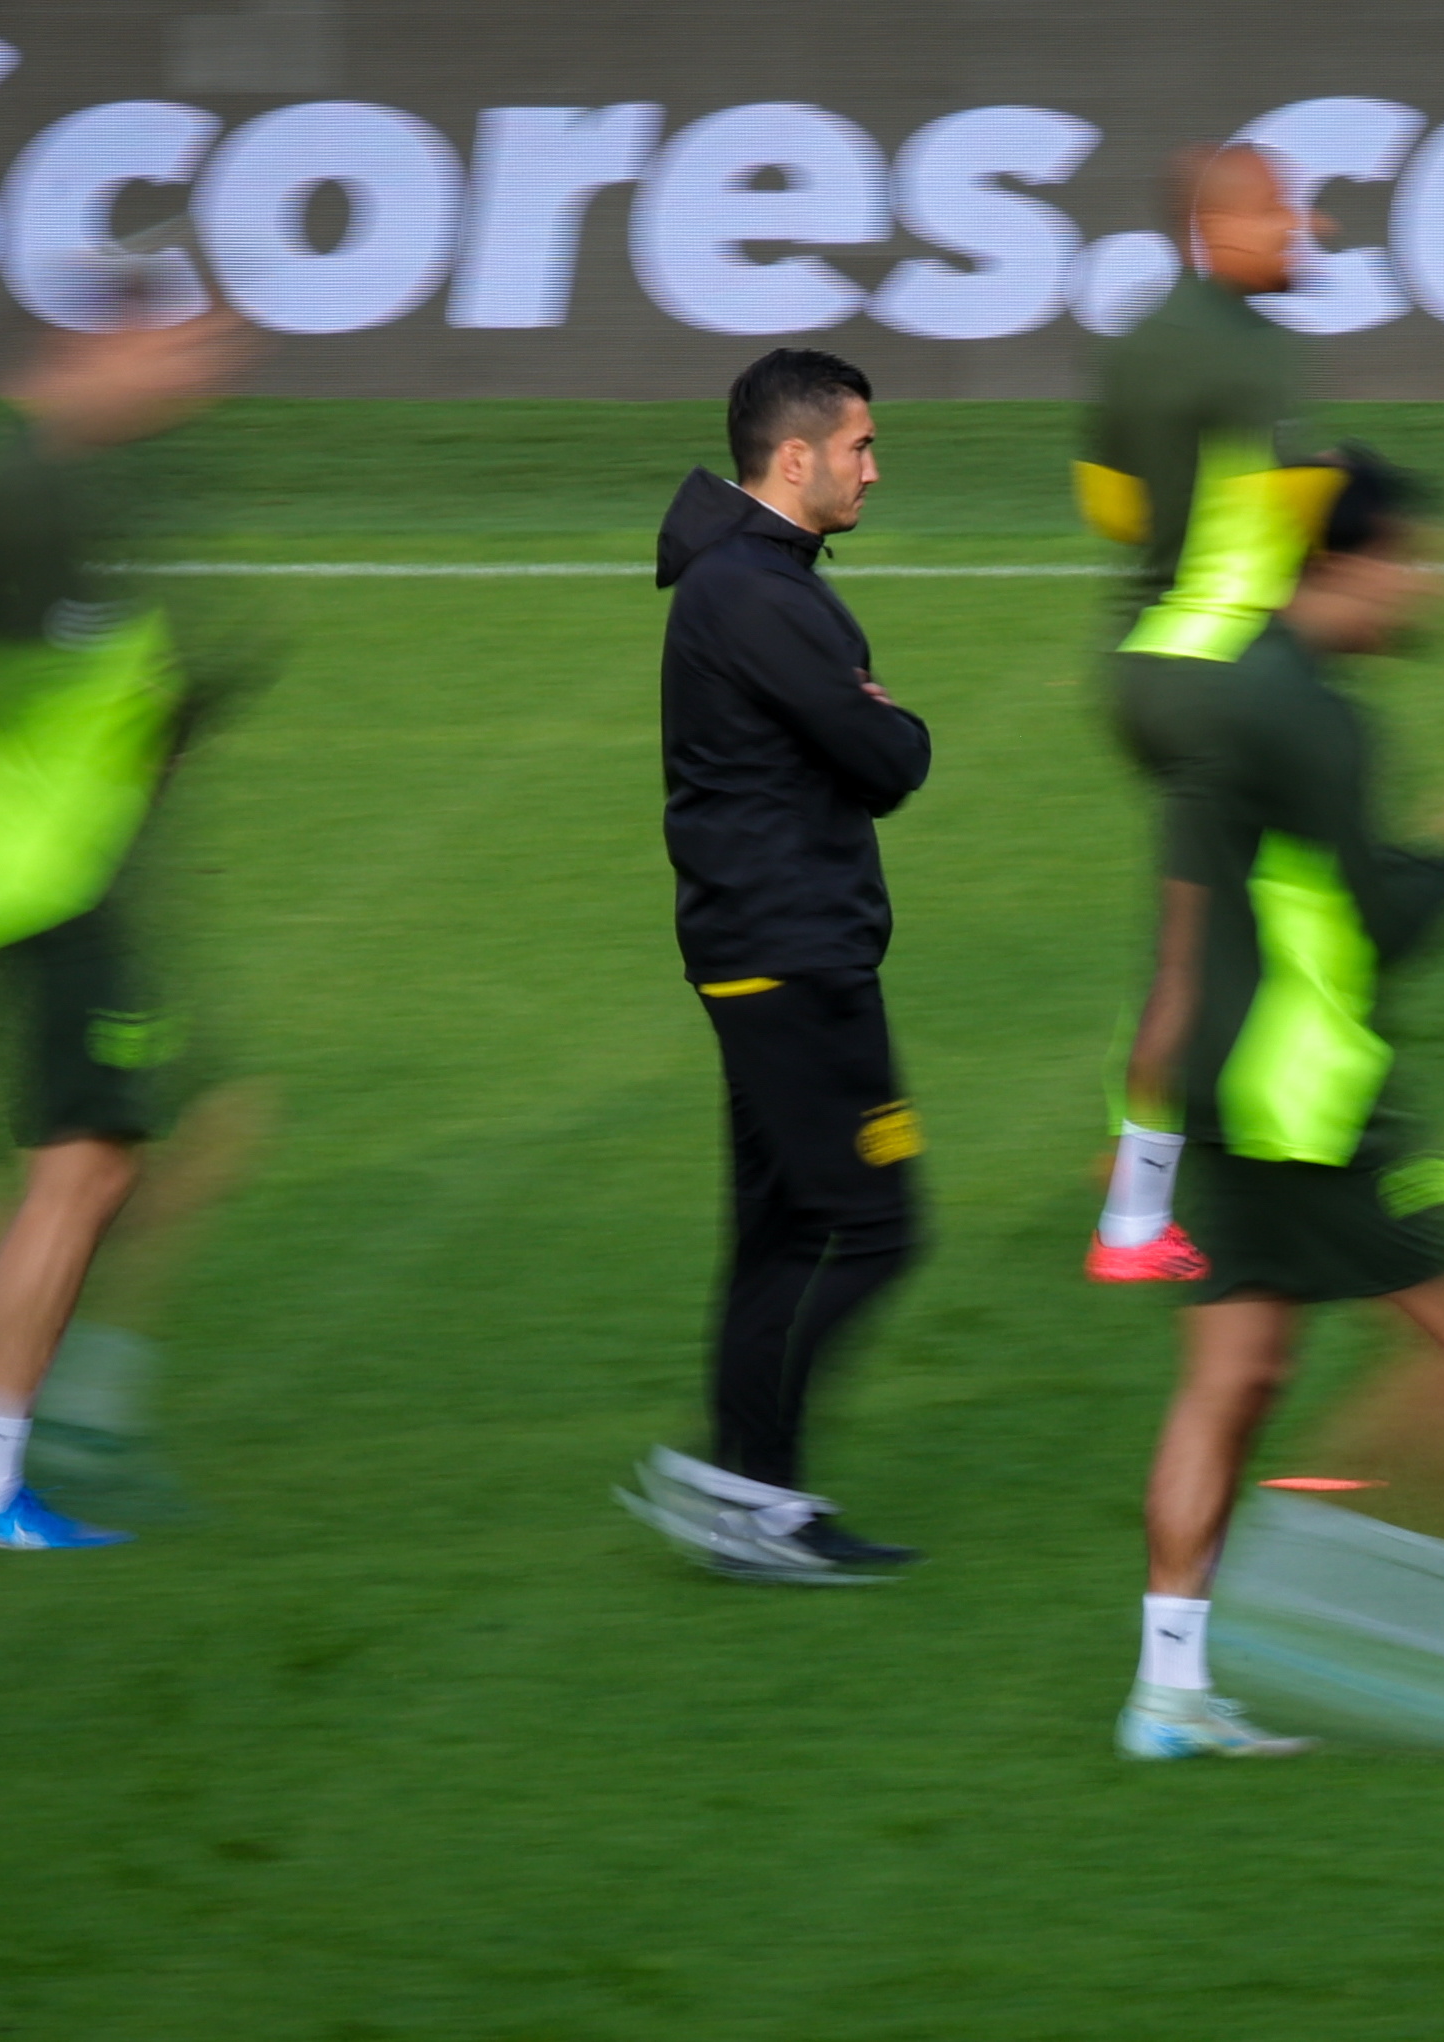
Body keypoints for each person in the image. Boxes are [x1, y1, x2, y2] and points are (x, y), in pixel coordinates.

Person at [1112, 449, 1444, 1758]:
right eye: (1414, 559)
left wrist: (1143, 1160)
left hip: (1224, 1087)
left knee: (1232, 1377)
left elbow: (1191, 937)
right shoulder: (1321, 718)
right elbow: (1367, 925)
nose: (1428, 586)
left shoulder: (1230, 698)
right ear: (1342, 564)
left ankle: (1166, 1694)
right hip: (1313, 1093)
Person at [0, 290, 255, 1550]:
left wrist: (169, 712)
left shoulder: (71, 488)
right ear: (104, 343)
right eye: (180, 348)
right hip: (32, 891)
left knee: (125, 1161)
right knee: (88, 1165)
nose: (200, 376)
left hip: (45, 880)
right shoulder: (24, 499)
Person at [616, 349, 934, 1586]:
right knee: (872, 1226)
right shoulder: (754, 594)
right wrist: (886, 720)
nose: (872, 464)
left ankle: (751, 1492)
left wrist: (869, 726)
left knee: (782, 1237)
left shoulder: (757, 582)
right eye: (858, 444)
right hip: (794, 961)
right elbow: (890, 755)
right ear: (792, 457)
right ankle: (744, 1488)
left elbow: (859, 746)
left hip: (772, 955)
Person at [1076, 140, 1323, 1284]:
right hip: (1228, 677)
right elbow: (1290, 540)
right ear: (1215, 227)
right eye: (1276, 212)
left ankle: (1153, 1163)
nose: (1297, 228)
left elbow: (1111, 506)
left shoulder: (1131, 344)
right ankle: (1140, 1208)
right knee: (1223, 944)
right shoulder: (1257, 358)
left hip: (1140, 664)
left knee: (1231, 927)